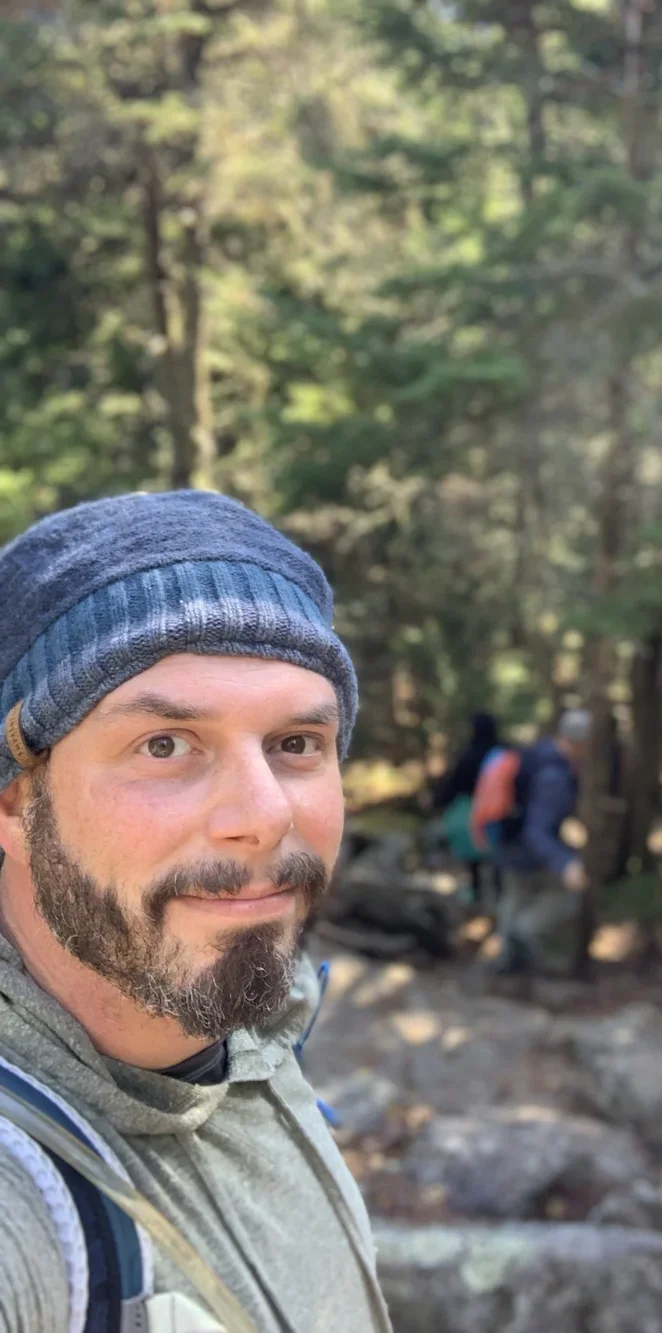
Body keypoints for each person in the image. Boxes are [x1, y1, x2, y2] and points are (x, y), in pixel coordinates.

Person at [0, 491, 392, 1332]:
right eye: (166, 745)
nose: (264, 814)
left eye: (296, 745)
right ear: (14, 805)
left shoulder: (254, 1030)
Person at [492, 709, 592, 974]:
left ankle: (508, 961)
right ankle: (519, 941)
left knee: (514, 899)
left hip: (507, 841)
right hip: (527, 849)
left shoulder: (538, 754)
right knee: (563, 898)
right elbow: (537, 830)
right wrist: (565, 863)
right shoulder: (555, 775)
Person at [433, 711, 500, 907]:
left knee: (473, 856)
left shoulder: (468, 755)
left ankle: (477, 893)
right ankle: (498, 894)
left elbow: (455, 784)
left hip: (471, 808)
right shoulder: (501, 754)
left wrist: (441, 802)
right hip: (497, 810)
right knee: (496, 854)